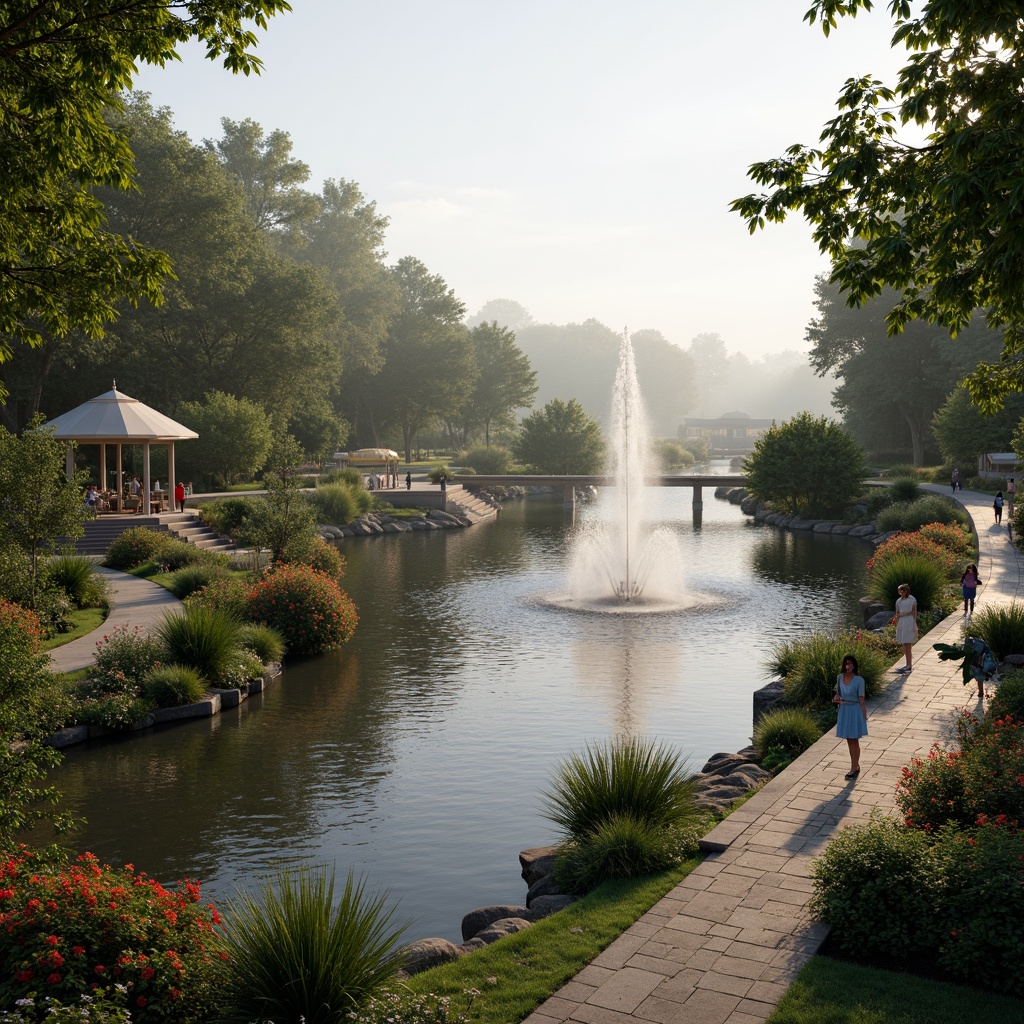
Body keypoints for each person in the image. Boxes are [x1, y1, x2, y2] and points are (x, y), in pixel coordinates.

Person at [833, 654, 867, 779]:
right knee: (849, 740)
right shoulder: (839, 678)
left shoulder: (859, 680)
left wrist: (864, 714)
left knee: (854, 739)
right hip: (844, 710)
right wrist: (837, 699)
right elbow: (838, 694)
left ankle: (854, 767)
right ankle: (854, 765)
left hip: (855, 710)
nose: (849, 666)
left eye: (851, 663)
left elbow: (861, 698)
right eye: (847, 663)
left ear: (854, 665)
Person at [894, 583, 918, 672]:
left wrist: (915, 623)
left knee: (908, 643)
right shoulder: (899, 601)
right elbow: (897, 612)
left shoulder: (912, 599)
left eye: (901, 591)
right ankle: (907, 663)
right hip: (902, 621)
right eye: (899, 591)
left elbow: (914, 611)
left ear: (905, 591)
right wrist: (896, 619)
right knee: (904, 643)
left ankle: (909, 664)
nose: (900, 592)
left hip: (909, 620)